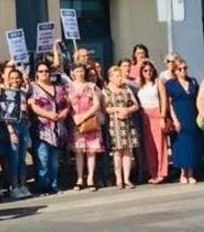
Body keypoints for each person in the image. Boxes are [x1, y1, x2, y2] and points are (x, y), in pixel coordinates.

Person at [28, 61, 70, 195]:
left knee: (54, 160)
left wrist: (65, 112)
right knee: (43, 158)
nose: (44, 73)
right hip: (41, 129)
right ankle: (43, 186)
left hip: (57, 128)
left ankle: (54, 184)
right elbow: (33, 106)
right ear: (36, 74)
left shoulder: (58, 87)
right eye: (41, 71)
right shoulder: (33, 88)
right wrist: (47, 114)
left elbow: (66, 103)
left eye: (46, 71)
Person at [165, 59, 203, 184]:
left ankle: (191, 172)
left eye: (185, 68)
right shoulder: (170, 84)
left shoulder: (192, 81)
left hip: (192, 114)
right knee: (181, 144)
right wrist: (175, 120)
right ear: (175, 71)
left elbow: (198, 98)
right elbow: (169, 103)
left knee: (192, 143)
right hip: (179, 114)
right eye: (180, 69)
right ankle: (182, 172)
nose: (183, 71)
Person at [103, 66, 141, 190]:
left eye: (120, 75)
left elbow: (136, 105)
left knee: (128, 152)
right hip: (115, 124)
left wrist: (127, 110)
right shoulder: (106, 91)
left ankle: (127, 178)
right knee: (117, 152)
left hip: (128, 123)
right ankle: (119, 179)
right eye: (117, 76)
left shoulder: (127, 89)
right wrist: (118, 109)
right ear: (111, 78)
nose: (120, 78)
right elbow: (105, 108)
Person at [67, 63, 103, 191]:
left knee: (91, 151)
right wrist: (75, 117)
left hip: (89, 120)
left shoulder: (91, 86)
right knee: (79, 152)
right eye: (77, 71)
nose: (80, 73)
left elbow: (96, 104)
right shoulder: (68, 87)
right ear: (73, 73)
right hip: (76, 122)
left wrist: (85, 116)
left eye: (82, 71)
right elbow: (67, 105)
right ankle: (80, 178)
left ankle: (91, 178)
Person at [1, 69, 32, 199]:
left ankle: (22, 184)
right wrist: (11, 131)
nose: (15, 80)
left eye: (17, 78)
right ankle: (14, 186)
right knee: (13, 158)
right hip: (13, 126)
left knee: (22, 158)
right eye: (12, 78)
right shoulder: (5, 94)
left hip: (24, 125)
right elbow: (5, 114)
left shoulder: (24, 93)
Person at [137, 61, 169, 184]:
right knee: (149, 147)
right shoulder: (140, 85)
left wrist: (162, 116)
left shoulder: (157, 83)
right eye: (145, 70)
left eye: (150, 70)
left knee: (160, 144)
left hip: (156, 114)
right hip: (144, 115)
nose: (148, 72)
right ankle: (153, 172)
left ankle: (161, 172)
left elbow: (164, 99)